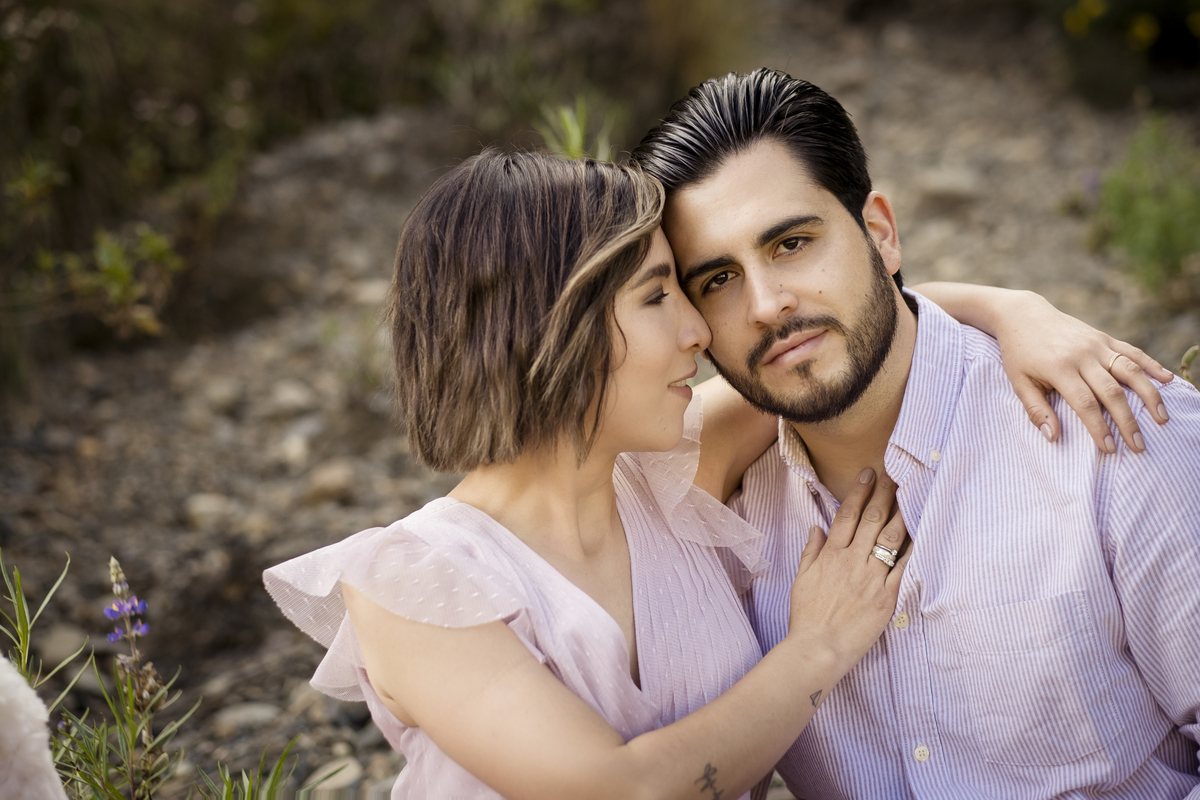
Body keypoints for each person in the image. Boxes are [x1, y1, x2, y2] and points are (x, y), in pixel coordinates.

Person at [265, 147, 1167, 799]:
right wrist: (819, 646)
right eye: (662, 296)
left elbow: (839, 337)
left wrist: (1017, 311)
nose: (704, 332)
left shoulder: (670, 481)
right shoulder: (416, 584)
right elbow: (621, 794)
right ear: (554, 326)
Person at [632, 67, 1200, 799]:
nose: (767, 305)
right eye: (718, 280)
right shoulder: (714, 512)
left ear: (880, 233)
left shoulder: (1110, 431)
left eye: (792, 243)